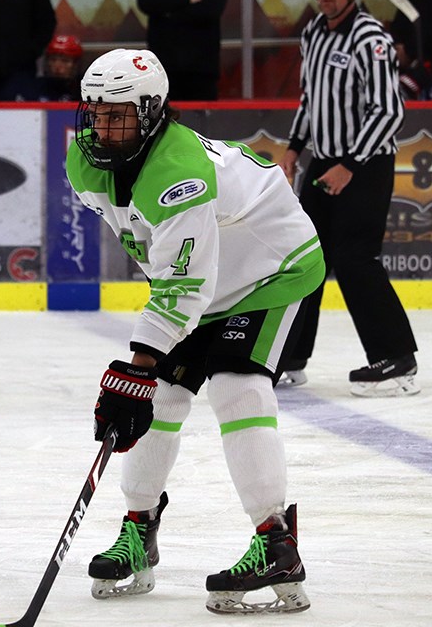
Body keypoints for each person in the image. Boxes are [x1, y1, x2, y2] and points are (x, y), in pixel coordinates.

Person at [66, 48, 322, 614]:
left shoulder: (179, 171)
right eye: (97, 113)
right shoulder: (84, 164)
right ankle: (138, 530)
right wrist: (143, 374)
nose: (105, 128)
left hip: (269, 269)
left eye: (120, 115)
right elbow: (170, 266)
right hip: (207, 276)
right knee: (158, 398)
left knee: (236, 385)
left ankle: (276, 542)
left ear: (153, 111)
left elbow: (184, 285)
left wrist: (134, 363)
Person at [280, 0, 420, 398]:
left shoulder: (369, 36)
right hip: (326, 160)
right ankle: (289, 357)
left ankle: (397, 357)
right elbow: (311, 101)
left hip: (367, 161)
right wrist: (293, 148)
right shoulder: (312, 33)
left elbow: (390, 110)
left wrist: (350, 166)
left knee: (355, 256)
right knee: (306, 255)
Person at [136, 0, 227, 101]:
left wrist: (168, 13)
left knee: (202, 116)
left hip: (202, 68)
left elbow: (212, 8)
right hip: (163, 66)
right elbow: (146, 1)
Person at [0, 34, 83, 102]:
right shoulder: (32, 89)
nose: (57, 66)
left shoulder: (83, 91)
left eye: (65, 61)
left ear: (76, 65)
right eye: (53, 60)